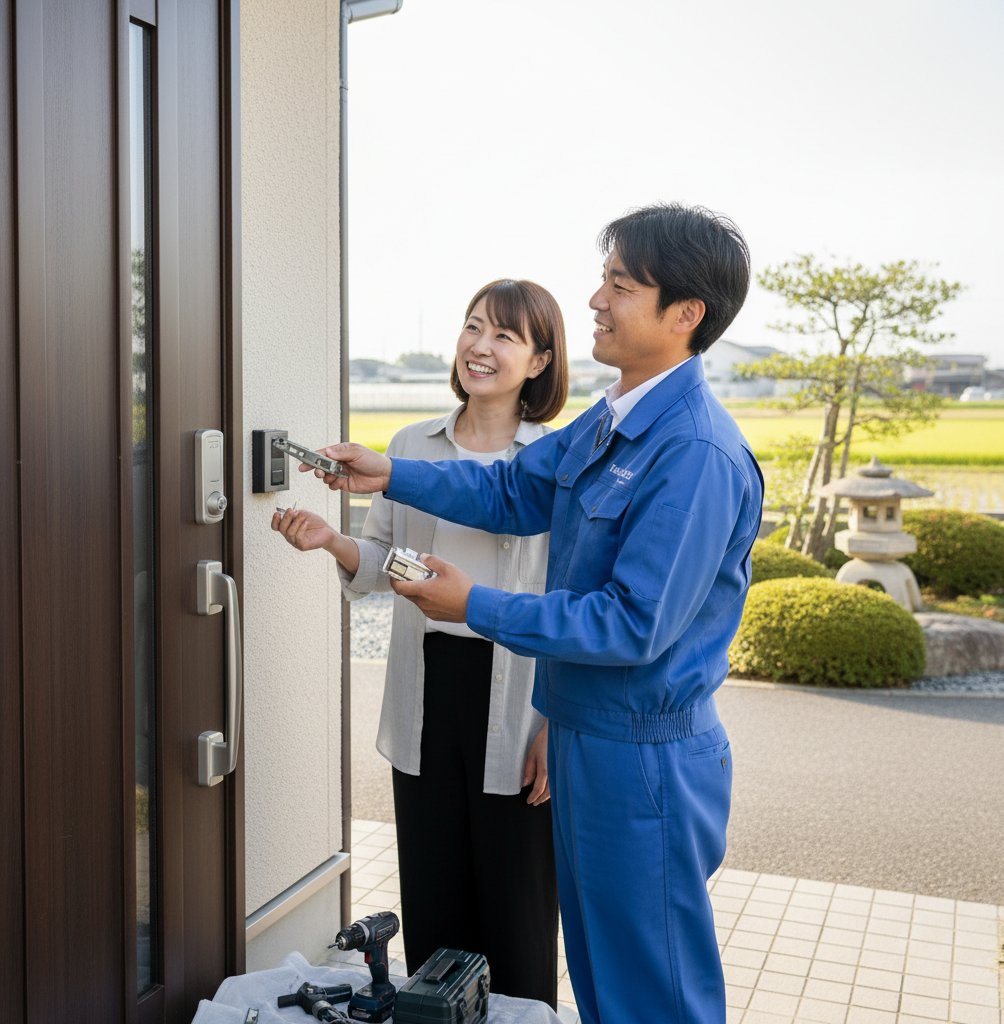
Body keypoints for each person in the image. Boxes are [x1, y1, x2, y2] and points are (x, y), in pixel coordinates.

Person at [307, 203, 764, 1024]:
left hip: (641, 759)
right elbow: (514, 490)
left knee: (651, 995)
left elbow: (632, 624)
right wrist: (391, 475)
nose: (596, 298)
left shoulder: (692, 450)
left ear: (684, 315)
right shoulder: (618, 419)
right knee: (601, 984)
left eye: (621, 285)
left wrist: (473, 604)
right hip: (587, 733)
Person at [272, 279, 569, 1007]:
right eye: (474, 327)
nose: (481, 346)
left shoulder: (560, 460)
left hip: (521, 702)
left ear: (539, 361)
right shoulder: (410, 447)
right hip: (427, 691)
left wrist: (557, 725)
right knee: (435, 901)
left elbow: (574, 604)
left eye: (505, 335)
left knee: (518, 913)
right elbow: (386, 566)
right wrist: (334, 541)